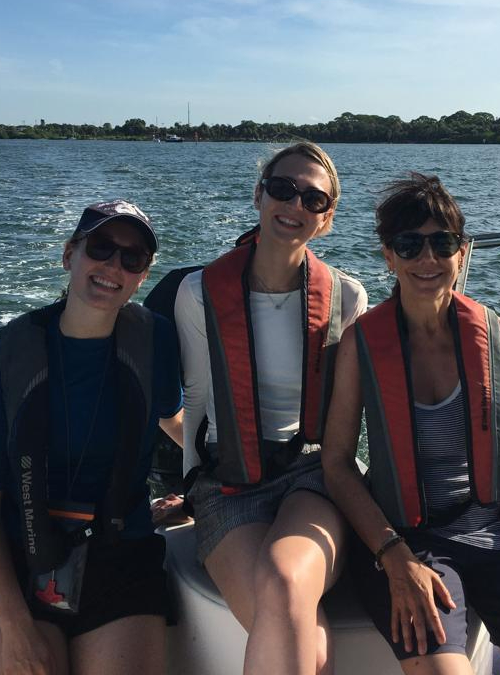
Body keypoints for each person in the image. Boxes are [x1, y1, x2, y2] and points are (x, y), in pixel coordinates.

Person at [321, 173, 500, 675]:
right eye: (409, 245)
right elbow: (337, 464)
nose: (427, 260)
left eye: (442, 243)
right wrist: (395, 557)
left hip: (496, 534)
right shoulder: (361, 346)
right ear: (388, 256)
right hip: (408, 540)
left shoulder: (497, 337)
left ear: (463, 251)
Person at [0, 199, 184, 675]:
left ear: (142, 276)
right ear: (69, 256)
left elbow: (172, 419)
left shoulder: (154, 341)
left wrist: (215, 486)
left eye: (131, 258)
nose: (112, 266)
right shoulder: (3, 362)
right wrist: (16, 629)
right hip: (20, 559)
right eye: (100, 248)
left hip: (120, 554)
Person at [174, 142, 368, 675]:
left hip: (313, 474)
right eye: (283, 188)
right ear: (259, 195)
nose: (296, 204)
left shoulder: (348, 299)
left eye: (314, 198)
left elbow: (346, 424)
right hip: (227, 482)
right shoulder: (198, 293)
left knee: (284, 579)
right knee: (311, 646)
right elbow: (196, 398)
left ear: (327, 219)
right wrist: (190, 484)